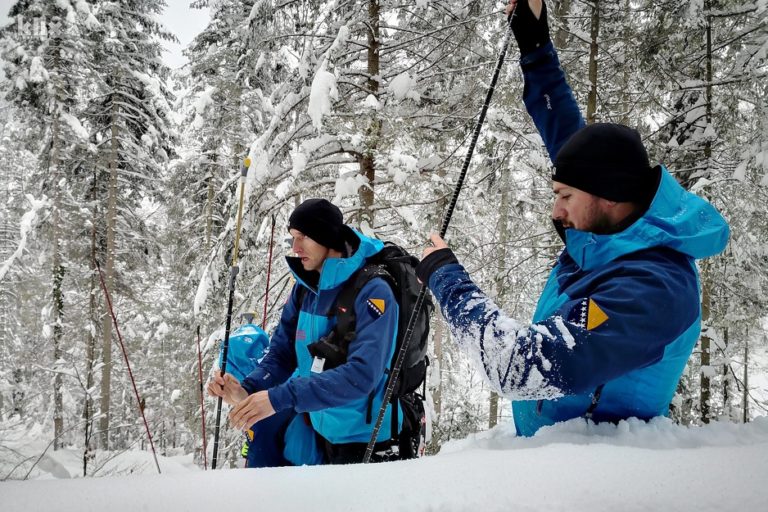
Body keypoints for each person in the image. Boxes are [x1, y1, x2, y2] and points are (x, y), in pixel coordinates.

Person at [416, 0, 730, 437]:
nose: (556, 212)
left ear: (610, 196)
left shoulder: (654, 289)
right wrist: (534, 41)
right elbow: (569, 140)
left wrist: (446, 278)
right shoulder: (613, 226)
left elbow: (516, 365)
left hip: (598, 479)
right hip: (556, 457)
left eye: (563, 196)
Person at [208, 198, 401, 466]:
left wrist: (280, 398)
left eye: (303, 238)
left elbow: (362, 375)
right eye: (292, 238)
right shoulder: (305, 288)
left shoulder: (373, 290)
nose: (295, 248)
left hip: (371, 442)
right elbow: (281, 356)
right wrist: (247, 388)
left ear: (327, 237)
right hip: (324, 433)